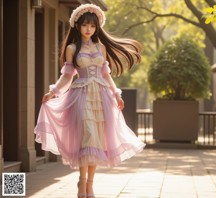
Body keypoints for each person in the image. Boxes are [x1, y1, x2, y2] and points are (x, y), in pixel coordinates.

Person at [34, 4, 146, 198]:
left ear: (96, 28)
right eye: (85, 25)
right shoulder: (72, 48)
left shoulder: (100, 47)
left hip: (101, 97)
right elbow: (68, 76)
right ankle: (82, 182)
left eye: (92, 26)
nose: (88, 29)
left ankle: (90, 185)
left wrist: (116, 94)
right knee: (87, 136)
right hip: (81, 95)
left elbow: (106, 74)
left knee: (97, 141)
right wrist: (53, 92)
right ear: (78, 26)